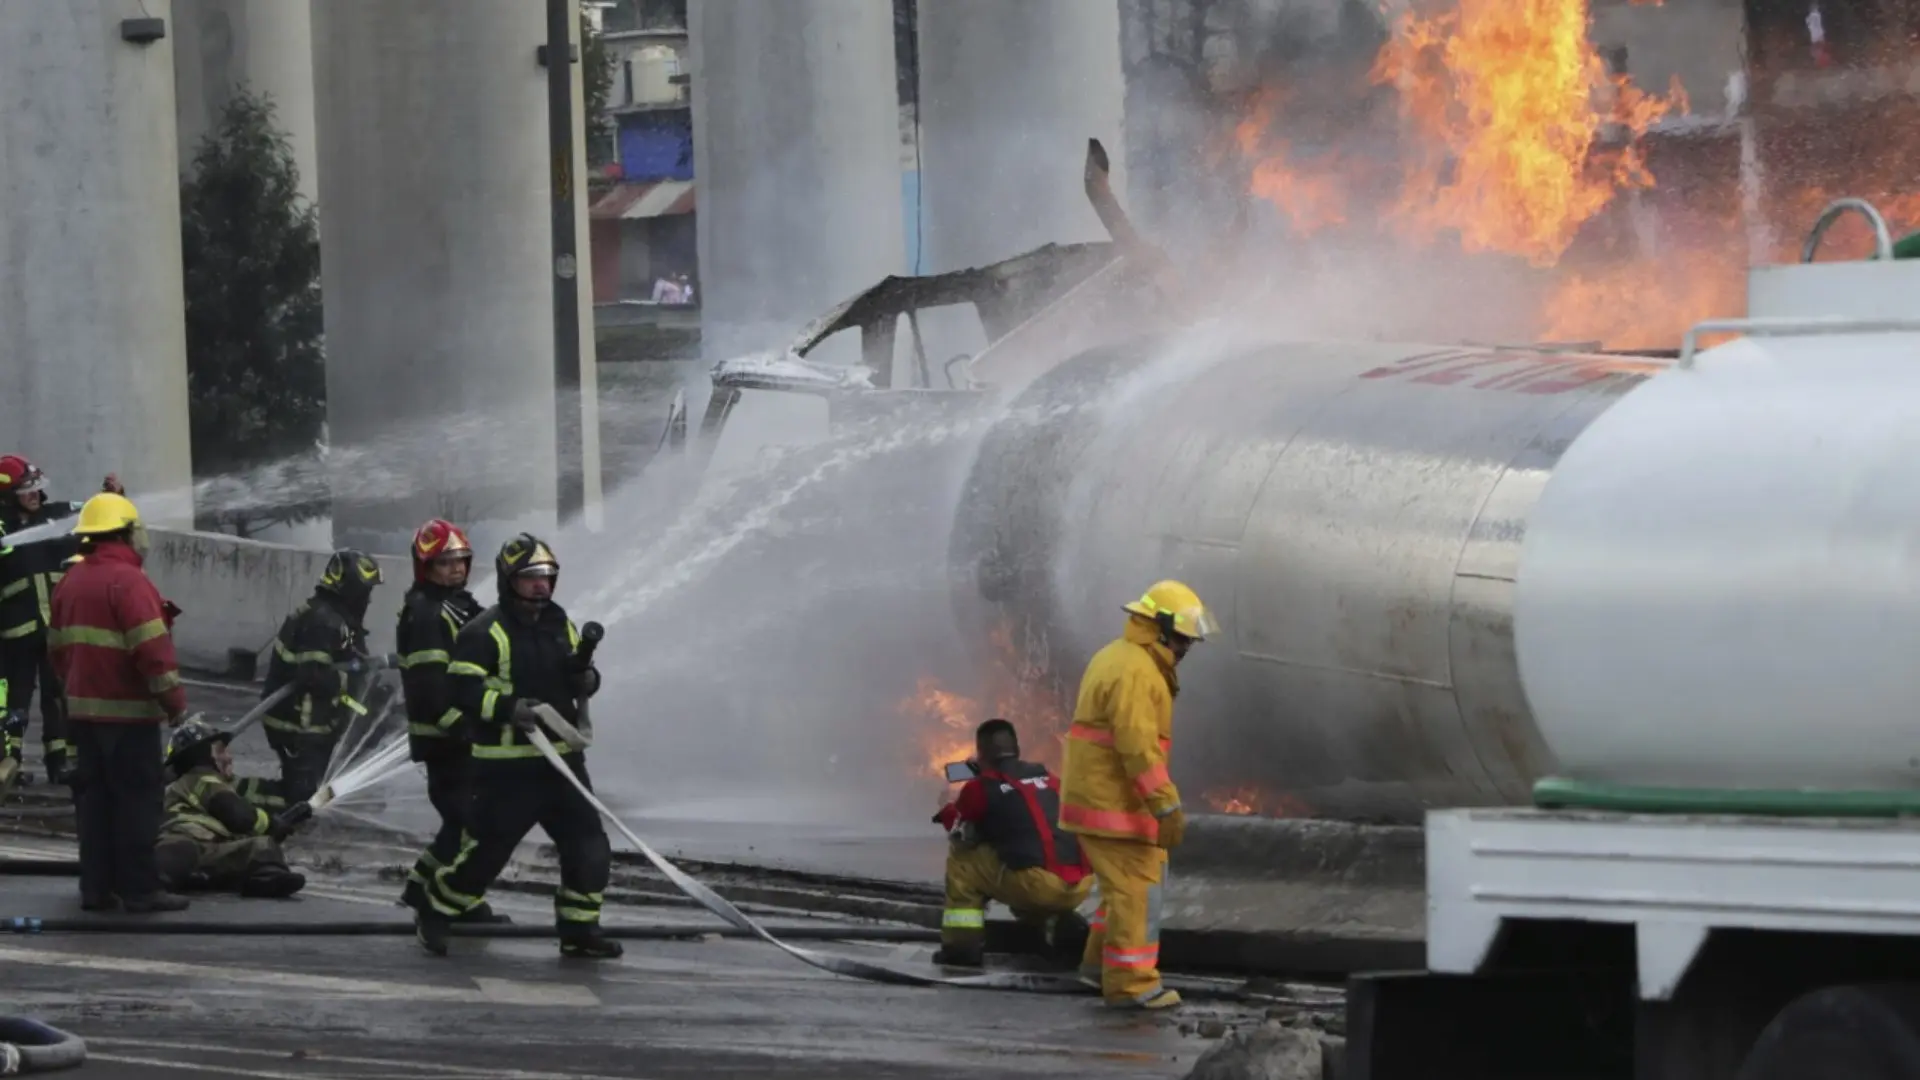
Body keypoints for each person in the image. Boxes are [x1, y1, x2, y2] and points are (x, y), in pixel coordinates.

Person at [417, 533, 617, 959]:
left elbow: (574, 677)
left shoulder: (561, 623)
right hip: (507, 769)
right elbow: (460, 689)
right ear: (510, 580)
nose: (541, 585)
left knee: (590, 848)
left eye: (547, 576)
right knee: (485, 857)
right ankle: (434, 912)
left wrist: (588, 681)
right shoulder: (483, 631)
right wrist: (508, 708)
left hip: (562, 763)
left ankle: (579, 931)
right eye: (530, 577)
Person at [1059, 580, 1217, 1010]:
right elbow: (1136, 746)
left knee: (1120, 893)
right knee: (1136, 892)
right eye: (1183, 637)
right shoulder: (1136, 670)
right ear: (1158, 627)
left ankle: (1098, 970)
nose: (1187, 647)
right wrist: (1165, 802)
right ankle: (1131, 985)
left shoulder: (1125, 658)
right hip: (1113, 807)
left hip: (1107, 803)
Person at [46, 492, 190, 914]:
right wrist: (176, 706)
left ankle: (97, 889)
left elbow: (56, 650)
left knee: (95, 805)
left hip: (83, 717)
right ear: (127, 533)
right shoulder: (129, 582)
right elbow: (153, 653)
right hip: (129, 718)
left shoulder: (71, 581)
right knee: (137, 803)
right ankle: (141, 890)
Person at [394, 519, 503, 923]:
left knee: (459, 823)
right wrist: (465, 726)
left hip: (460, 737)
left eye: (461, 560)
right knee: (471, 823)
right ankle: (458, 899)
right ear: (426, 567)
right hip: (447, 740)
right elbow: (430, 686)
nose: (456, 569)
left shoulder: (458, 605)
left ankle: (418, 889)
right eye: (445, 562)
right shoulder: (426, 613)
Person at [0, 456, 124, 787]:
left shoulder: (58, 516)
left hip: (57, 629)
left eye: (36, 488)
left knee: (59, 697)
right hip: (16, 634)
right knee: (14, 701)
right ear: (8, 494)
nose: (34, 495)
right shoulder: (2, 526)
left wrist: (111, 495)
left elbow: (96, 516)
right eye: (26, 490)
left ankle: (60, 763)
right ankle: (9, 763)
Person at [931, 718, 1092, 969]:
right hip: (1080, 885)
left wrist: (945, 808)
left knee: (963, 860)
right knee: (1020, 857)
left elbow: (957, 829)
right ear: (1016, 750)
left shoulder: (980, 788)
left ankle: (961, 948)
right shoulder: (1047, 776)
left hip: (1037, 885)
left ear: (981, 754)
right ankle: (1060, 926)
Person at [257, 550, 382, 808]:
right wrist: (355, 680)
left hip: (314, 720)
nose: (367, 601)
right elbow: (313, 675)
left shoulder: (338, 619)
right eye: (364, 593)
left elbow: (356, 659)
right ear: (348, 590)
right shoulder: (321, 621)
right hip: (297, 725)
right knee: (301, 799)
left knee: (311, 791)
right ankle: (239, 797)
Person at [156, 716, 311, 898]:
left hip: (211, 851)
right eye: (221, 751)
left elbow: (238, 823)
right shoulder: (199, 777)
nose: (229, 758)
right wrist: (271, 824)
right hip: (182, 844)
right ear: (201, 755)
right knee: (180, 849)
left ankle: (266, 879)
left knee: (262, 846)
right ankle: (155, 879)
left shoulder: (213, 783)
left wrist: (272, 830)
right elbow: (236, 813)